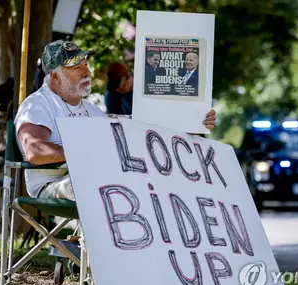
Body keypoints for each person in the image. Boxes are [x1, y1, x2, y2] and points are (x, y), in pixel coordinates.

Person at [14, 40, 217, 201]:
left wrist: (193, 122)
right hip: (52, 183)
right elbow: (34, 151)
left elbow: (135, 131)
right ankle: (89, 250)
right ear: (55, 77)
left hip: (91, 178)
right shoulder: (37, 104)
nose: (87, 72)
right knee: (100, 185)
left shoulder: (91, 109)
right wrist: (83, 153)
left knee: (145, 182)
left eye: (85, 64)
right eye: (76, 67)